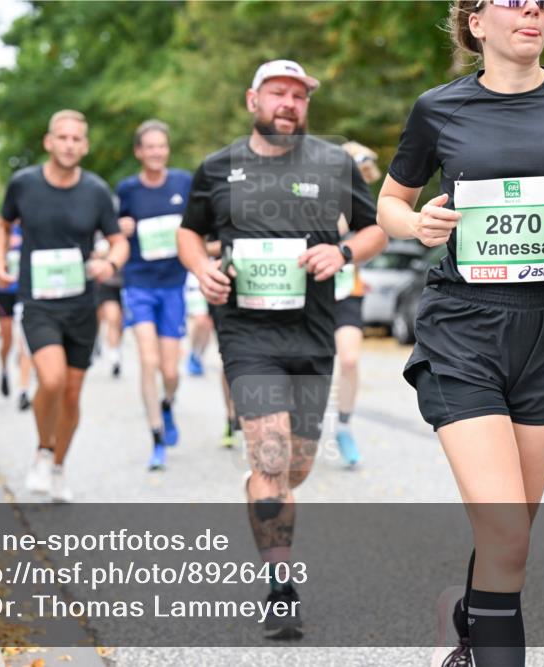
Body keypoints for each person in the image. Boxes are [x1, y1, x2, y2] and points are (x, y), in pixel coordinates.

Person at [376, 2, 544, 665]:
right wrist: (419, 226)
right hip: (463, 330)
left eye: (543, 0)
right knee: (502, 528)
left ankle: (464, 618)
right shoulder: (439, 109)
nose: (532, 9)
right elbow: (390, 202)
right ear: (474, 23)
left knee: (512, 537)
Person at [178, 60, 388, 639]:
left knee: (293, 466)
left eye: (299, 95)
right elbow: (189, 230)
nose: (290, 103)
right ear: (253, 100)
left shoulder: (334, 163)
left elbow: (375, 229)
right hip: (248, 333)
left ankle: (264, 495)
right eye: (278, 93)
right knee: (269, 456)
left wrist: (343, 254)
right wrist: (201, 267)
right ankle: (281, 588)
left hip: (313, 335)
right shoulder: (218, 168)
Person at [0, 109, 129, 503]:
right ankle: (42, 448)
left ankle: (57, 468)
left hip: (82, 304)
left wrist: (109, 262)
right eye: (62, 137)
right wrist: (0, 261)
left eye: (76, 139)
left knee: (71, 395)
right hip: (37, 301)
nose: (69, 145)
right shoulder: (24, 184)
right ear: (48, 142)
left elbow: (118, 240)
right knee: (49, 380)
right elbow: (3, 224)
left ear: (84, 146)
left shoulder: (96, 191)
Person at [115, 120, 193, 471]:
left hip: (174, 284)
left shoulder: (183, 183)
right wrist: (120, 228)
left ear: (167, 149)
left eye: (161, 145)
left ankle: (167, 403)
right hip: (139, 283)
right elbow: (113, 231)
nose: (156, 152)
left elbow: (197, 225)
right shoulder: (127, 190)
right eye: (149, 147)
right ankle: (156, 437)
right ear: (139, 151)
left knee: (170, 369)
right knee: (148, 361)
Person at [332, 141, 383, 467]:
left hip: (346, 290)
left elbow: (373, 236)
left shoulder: (361, 202)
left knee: (349, 360)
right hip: (308, 293)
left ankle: (344, 426)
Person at [0, 221, 33, 410]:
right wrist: (7, 244)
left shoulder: (35, 223)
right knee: (7, 339)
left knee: (24, 342)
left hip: (26, 292)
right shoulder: (2, 227)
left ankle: (23, 390)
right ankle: (4, 368)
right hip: (5, 292)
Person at [94, 231, 125, 378]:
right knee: (111, 317)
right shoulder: (98, 231)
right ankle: (114, 357)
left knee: (119, 322)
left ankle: (115, 349)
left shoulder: (126, 226)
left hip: (126, 283)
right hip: (105, 283)